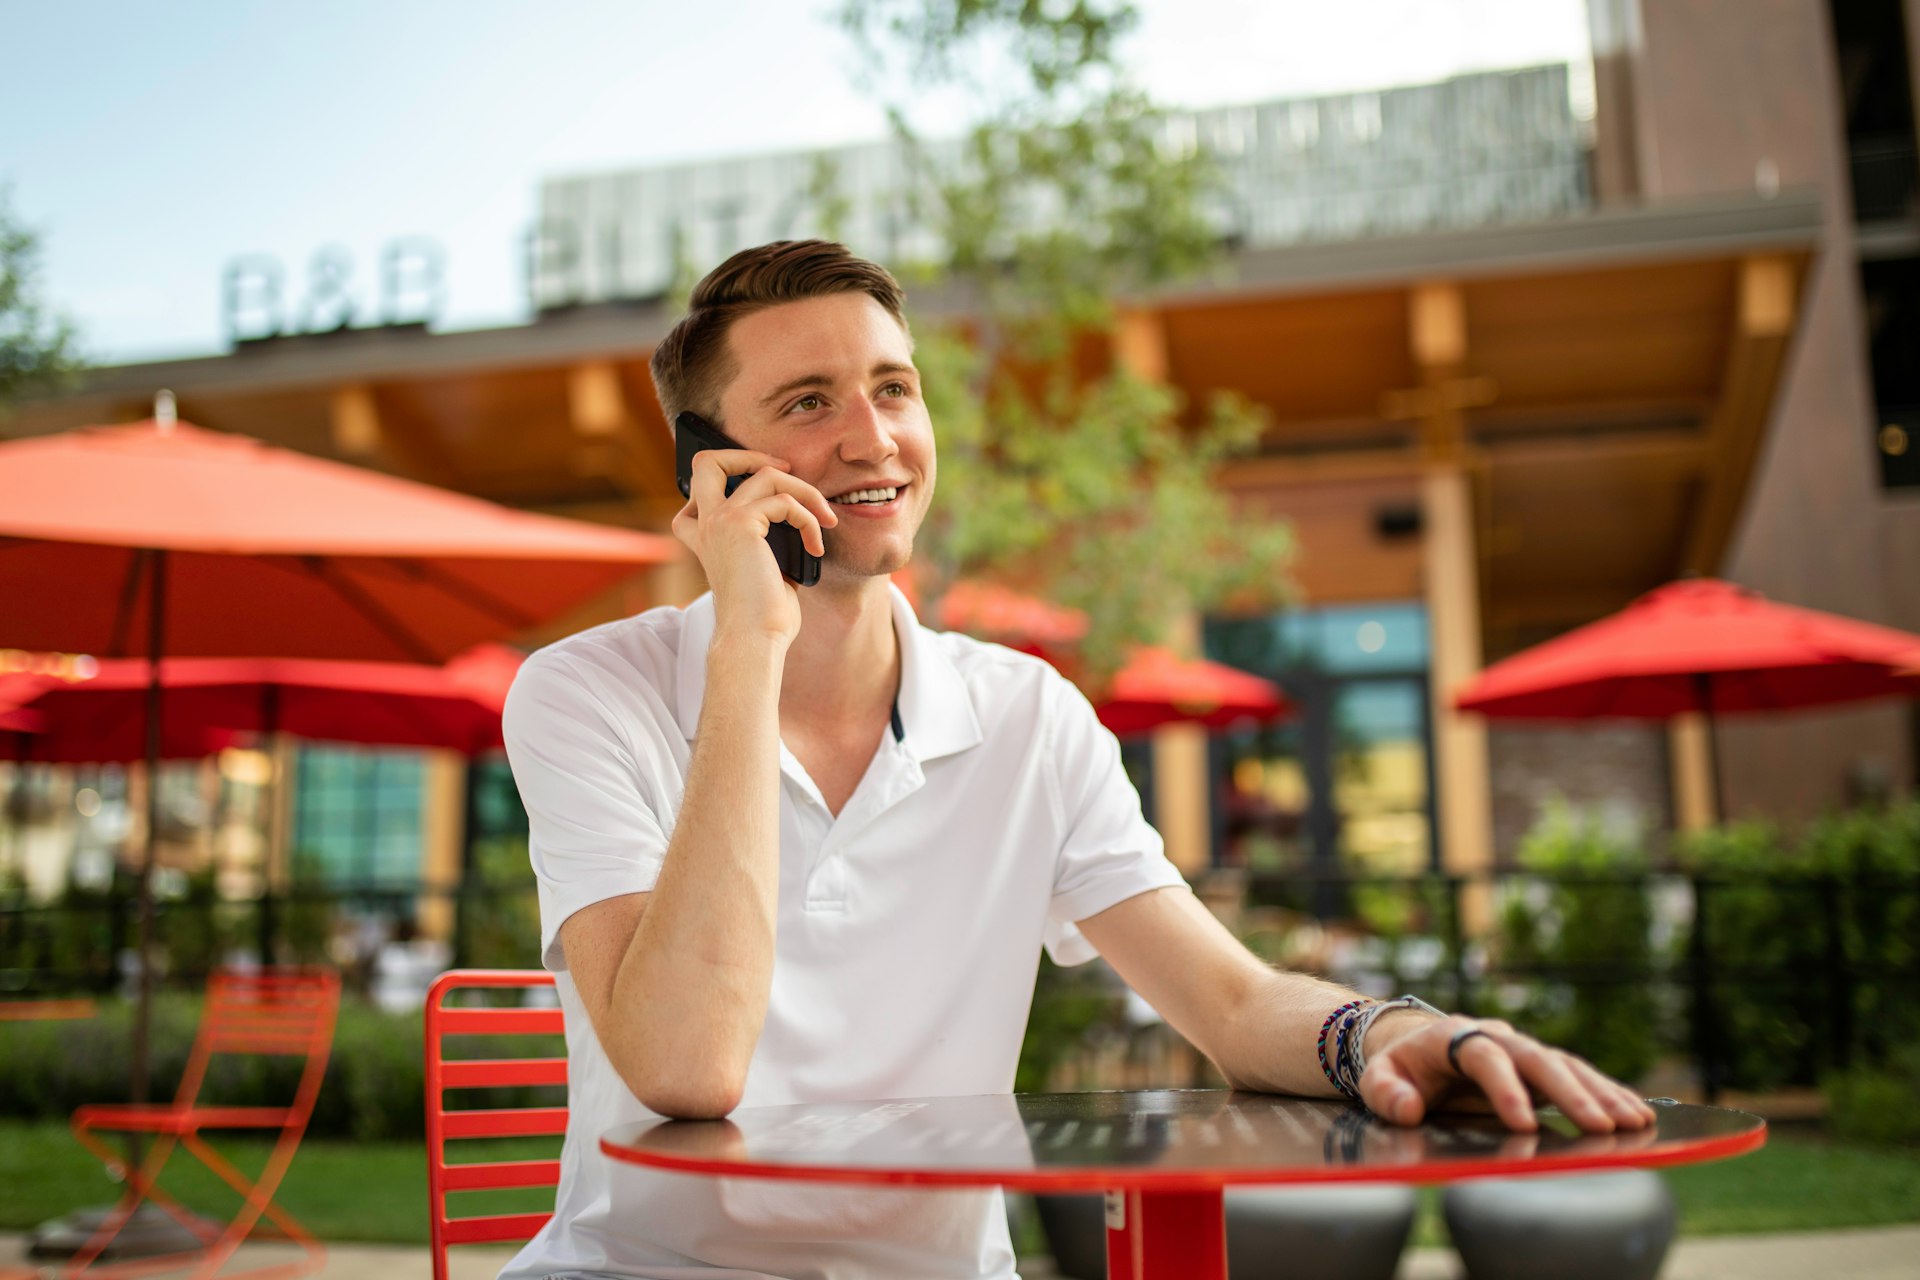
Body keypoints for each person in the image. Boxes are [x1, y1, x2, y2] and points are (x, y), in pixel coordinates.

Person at [498, 240, 1656, 1280]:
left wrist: (1390, 1033)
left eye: (894, 387)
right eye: (809, 402)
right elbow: (687, 1065)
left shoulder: (1029, 715)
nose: (874, 435)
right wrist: (748, 643)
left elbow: (1232, 998)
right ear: (714, 468)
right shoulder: (588, 692)